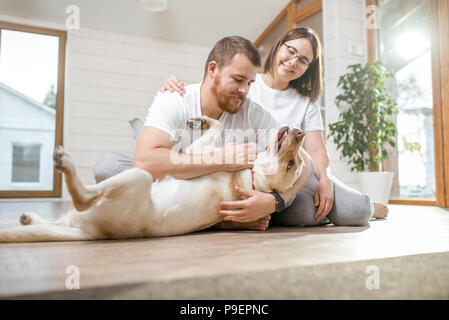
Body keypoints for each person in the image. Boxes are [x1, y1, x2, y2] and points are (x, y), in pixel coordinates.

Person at [160, 27, 388, 230]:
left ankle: (371, 206)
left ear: (308, 68)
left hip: (297, 171)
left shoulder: (306, 101)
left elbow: (315, 152)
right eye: (291, 51)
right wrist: (173, 85)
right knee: (304, 212)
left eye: (303, 60)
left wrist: (325, 179)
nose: (293, 61)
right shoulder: (247, 82)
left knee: (353, 211)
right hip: (258, 178)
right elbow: (208, 94)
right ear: (279, 46)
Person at [93, 35, 315, 231]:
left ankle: (227, 217)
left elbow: (307, 164)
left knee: (301, 207)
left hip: (214, 194)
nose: (245, 91)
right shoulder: (176, 98)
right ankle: (223, 221)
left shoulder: (254, 113)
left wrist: (274, 202)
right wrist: (220, 160)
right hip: (174, 188)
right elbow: (144, 164)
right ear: (212, 69)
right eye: (238, 80)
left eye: (249, 83)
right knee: (108, 166)